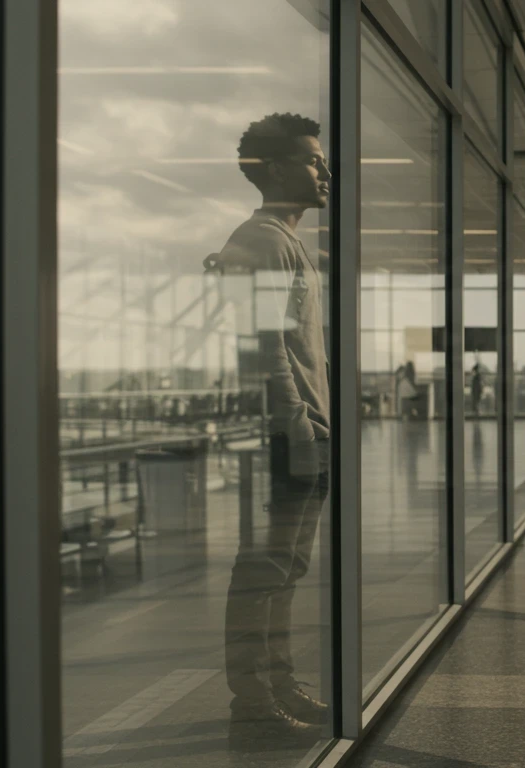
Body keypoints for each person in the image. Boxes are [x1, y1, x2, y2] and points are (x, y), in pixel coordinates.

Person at [208, 113, 331, 737]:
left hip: (303, 428)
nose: (325, 170)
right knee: (263, 571)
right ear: (279, 169)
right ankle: (253, 700)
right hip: (290, 433)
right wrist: (299, 431)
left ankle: (278, 685)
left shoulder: (288, 241)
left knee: (286, 570)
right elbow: (261, 349)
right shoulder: (261, 241)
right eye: (313, 160)